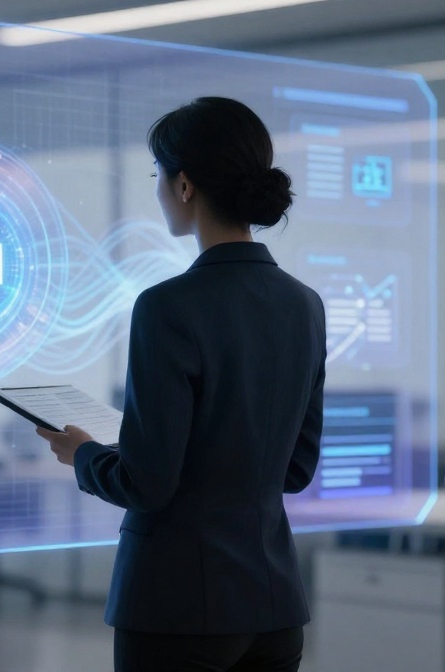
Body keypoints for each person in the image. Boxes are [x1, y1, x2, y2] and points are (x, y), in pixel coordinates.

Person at [38, 96, 326, 672]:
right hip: (274, 606)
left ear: (186, 185)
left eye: (158, 175)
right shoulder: (305, 305)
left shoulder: (167, 307)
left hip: (176, 610)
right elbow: (295, 471)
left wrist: (85, 454)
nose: (158, 190)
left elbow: (147, 484)